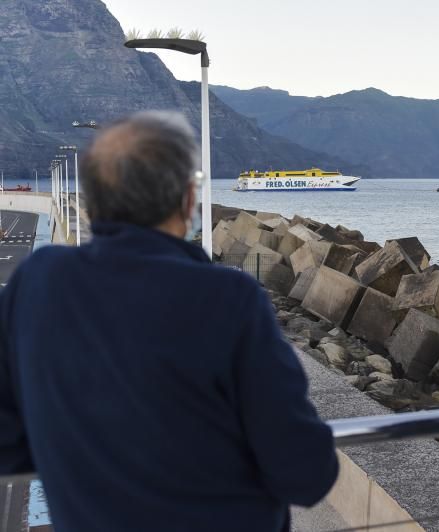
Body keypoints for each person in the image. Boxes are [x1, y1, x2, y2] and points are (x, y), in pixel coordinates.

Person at [0, 111, 338, 532]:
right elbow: (305, 474)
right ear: (186, 199)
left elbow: (8, 442)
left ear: (94, 200)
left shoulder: (38, 280)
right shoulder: (229, 300)